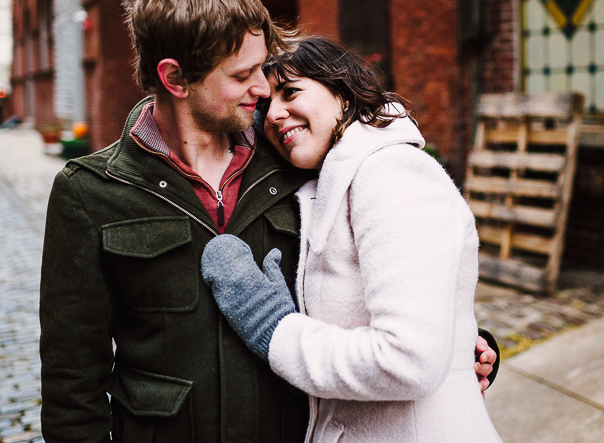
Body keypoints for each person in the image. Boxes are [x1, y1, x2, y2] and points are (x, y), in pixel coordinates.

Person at [39, 0, 496, 443]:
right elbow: (73, 386)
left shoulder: (295, 160)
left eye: (263, 68)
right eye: (243, 75)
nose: (262, 90)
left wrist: (461, 344)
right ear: (175, 78)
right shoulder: (91, 193)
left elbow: (394, 270)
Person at [201, 36, 503, 443]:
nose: (273, 114)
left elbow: (408, 359)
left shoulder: (392, 173)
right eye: (265, 105)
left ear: (342, 93)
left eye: (291, 92)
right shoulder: (332, 183)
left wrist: (272, 327)